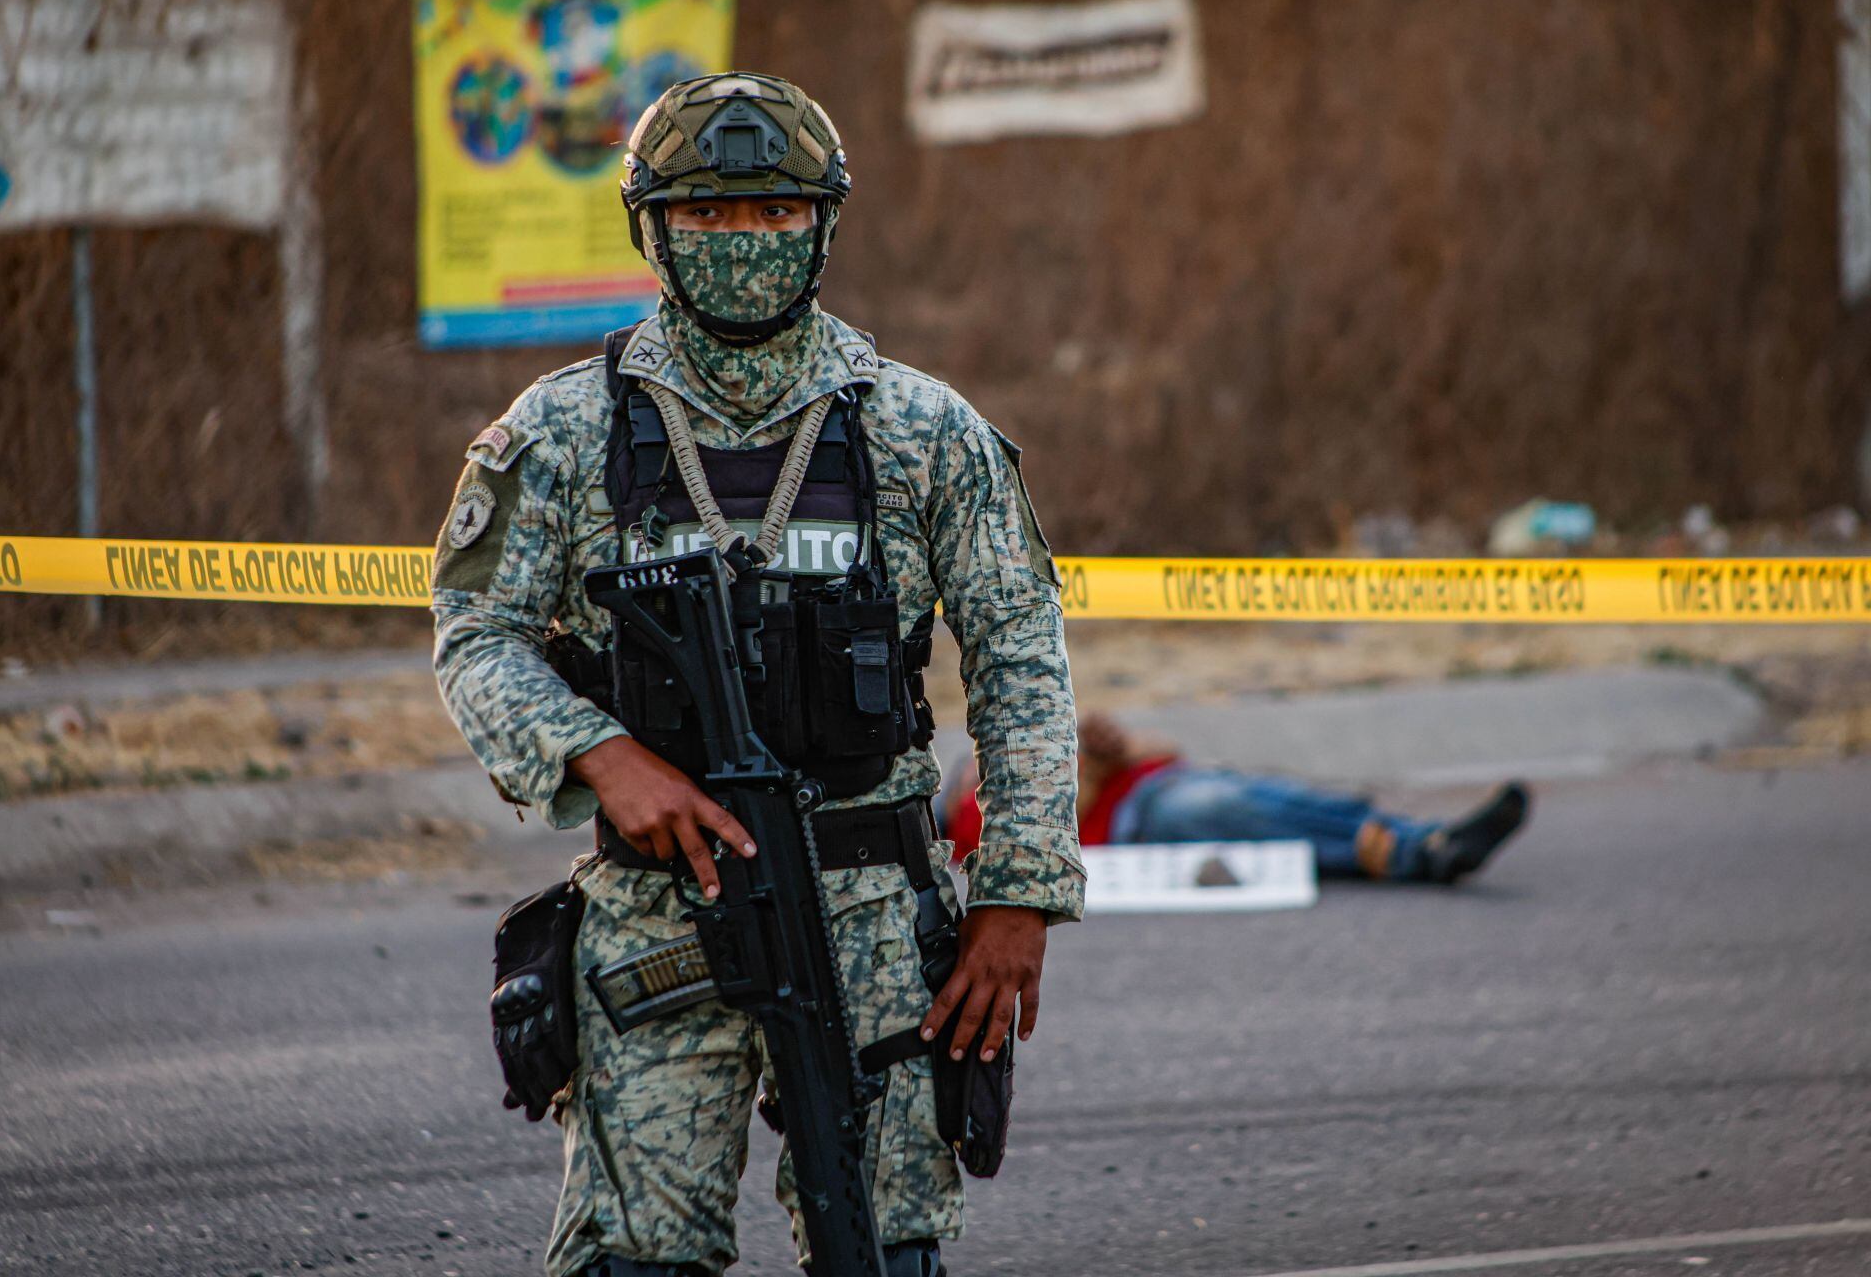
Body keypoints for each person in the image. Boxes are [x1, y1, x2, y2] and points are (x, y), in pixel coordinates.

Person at [431, 74, 1080, 1277]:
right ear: (652, 228)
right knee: (633, 1257)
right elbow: (476, 633)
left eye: (776, 211)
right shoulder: (563, 433)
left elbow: (1022, 663)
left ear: (823, 224)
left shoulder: (923, 430)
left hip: (874, 910)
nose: (743, 239)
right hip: (659, 916)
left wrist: (1019, 892)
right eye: (707, 213)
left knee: (885, 1251)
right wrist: (601, 756)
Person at [942, 713, 1529, 884]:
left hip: (1165, 782)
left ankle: (1421, 841)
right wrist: (1093, 765)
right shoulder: (972, 815)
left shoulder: (1028, 741)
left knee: (1278, 804)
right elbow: (1058, 821)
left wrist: (1115, 746)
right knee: (1235, 811)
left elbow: (1164, 748)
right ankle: (1412, 850)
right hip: (1140, 821)